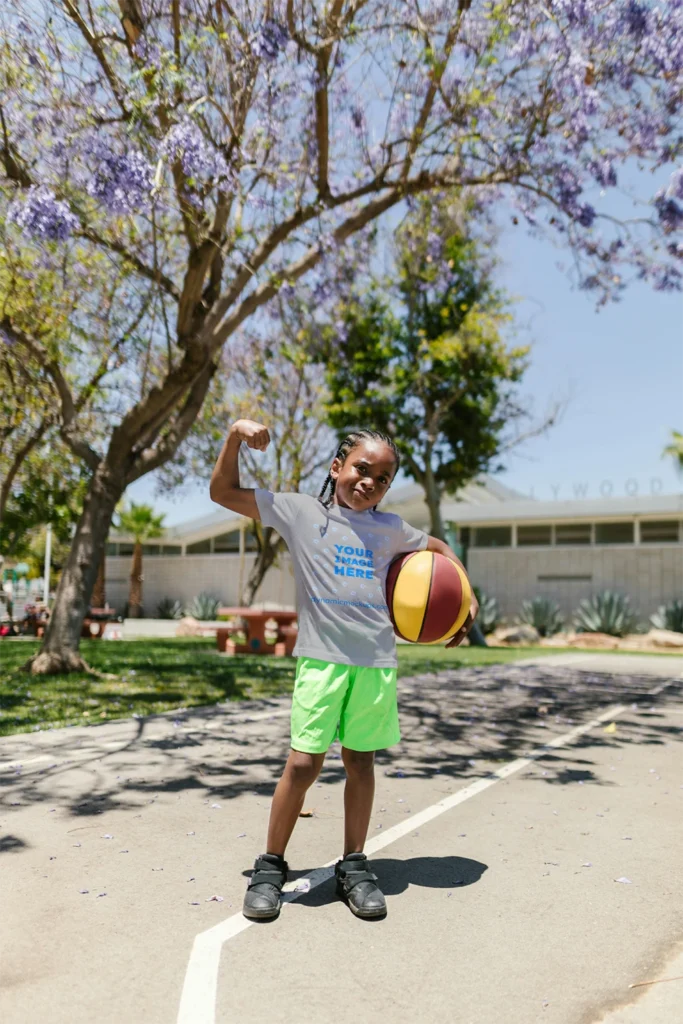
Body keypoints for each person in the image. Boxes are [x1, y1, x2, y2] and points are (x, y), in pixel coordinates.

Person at [209, 418, 478, 921]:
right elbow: (222, 491)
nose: (370, 482)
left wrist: (465, 599)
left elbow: (440, 551)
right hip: (321, 662)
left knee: (360, 763)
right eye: (361, 469)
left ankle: (353, 865)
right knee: (303, 765)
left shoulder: (392, 530)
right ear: (337, 467)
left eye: (383, 477)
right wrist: (234, 437)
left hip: (375, 664)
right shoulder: (300, 512)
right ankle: (271, 866)